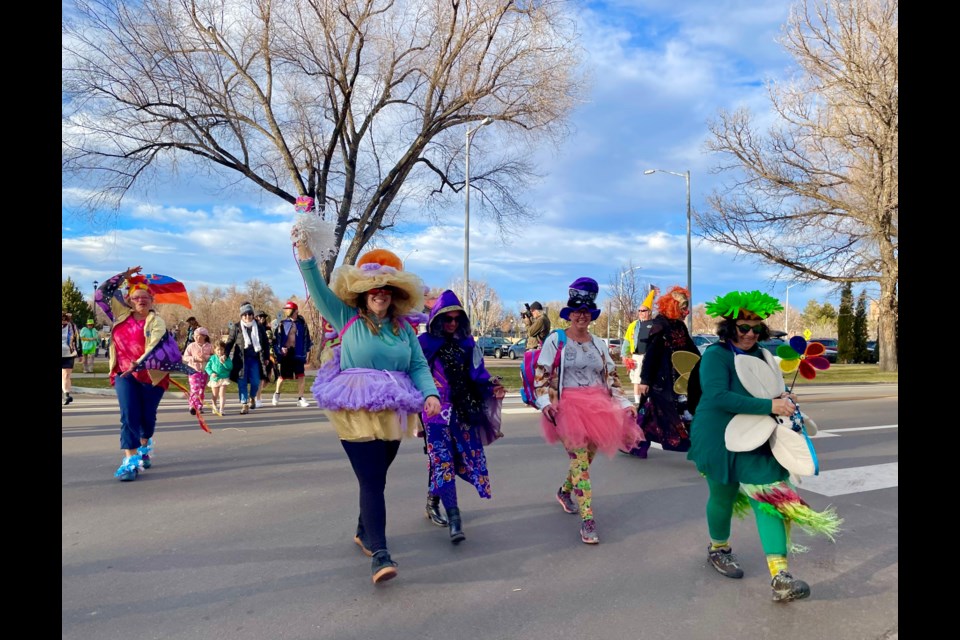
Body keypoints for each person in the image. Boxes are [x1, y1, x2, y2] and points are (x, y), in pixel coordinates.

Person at [293, 234, 440, 585]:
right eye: (374, 290)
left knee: (377, 476)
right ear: (363, 292)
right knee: (372, 479)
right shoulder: (347, 316)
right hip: (354, 405)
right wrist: (304, 251)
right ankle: (380, 553)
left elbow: (418, 365)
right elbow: (316, 286)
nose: (380, 295)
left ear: (394, 296)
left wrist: (430, 395)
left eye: (386, 291)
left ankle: (363, 529)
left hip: (394, 408)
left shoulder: (403, 329)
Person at [687, 290, 842, 603]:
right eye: (744, 327)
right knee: (723, 495)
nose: (750, 334)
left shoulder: (766, 356)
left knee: (768, 497)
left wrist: (784, 398)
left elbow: (770, 389)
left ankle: (780, 576)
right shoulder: (716, 356)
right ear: (729, 327)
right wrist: (770, 405)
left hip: (758, 436)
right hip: (718, 436)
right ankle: (719, 549)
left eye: (756, 329)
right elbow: (717, 396)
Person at [534, 277, 642, 545]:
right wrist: (545, 403)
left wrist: (625, 405)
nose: (581, 316)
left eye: (586, 312)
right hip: (567, 408)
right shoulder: (556, 340)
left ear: (591, 316)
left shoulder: (598, 344)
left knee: (584, 461)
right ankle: (588, 520)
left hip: (599, 408)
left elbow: (612, 378)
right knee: (581, 463)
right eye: (576, 312)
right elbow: (541, 375)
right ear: (570, 314)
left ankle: (564, 491)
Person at [418, 290, 506, 544]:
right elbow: (414, 373)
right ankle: (455, 519)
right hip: (433, 412)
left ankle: (432, 501)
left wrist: (492, 384)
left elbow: (478, 373)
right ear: (436, 319)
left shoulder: (468, 343)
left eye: (457, 319)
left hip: (462, 410)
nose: (452, 324)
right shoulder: (423, 343)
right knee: (442, 459)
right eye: (447, 319)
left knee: (454, 458)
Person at [96, 267, 180, 481]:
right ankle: (130, 462)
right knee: (128, 415)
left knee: (147, 419)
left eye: (145, 297)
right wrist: (124, 276)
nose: (141, 300)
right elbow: (101, 293)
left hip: (152, 376)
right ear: (128, 299)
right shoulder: (119, 315)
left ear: (152, 300)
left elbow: (154, 346)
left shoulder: (156, 322)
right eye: (136, 297)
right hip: (123, 374)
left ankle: (145, 444)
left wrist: (140, 362)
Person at [624, 285, 700, 458]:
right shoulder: (660, 326)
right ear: (673, 307)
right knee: (660, 414)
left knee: (654, 415)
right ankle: (634, 443)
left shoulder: (680, 327)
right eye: (683, 308)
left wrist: (703, 365)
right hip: (661, 382)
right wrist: (644, 380)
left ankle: (635, 444)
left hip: (678, 381)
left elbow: (691, 350)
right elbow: (651, 356)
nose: (686, 312)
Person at [225, 302, 271, 415]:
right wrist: (224, 354)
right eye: (245, 314)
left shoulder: (259, 327)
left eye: (250, 314)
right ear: (241, 316)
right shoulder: (236, 327)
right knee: (242, 381)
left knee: (256, 382)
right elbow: (230, 342)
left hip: (255, 359)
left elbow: (265, 343)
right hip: (241, 360)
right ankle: (244, 403)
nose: (248, 317)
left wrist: (266, 357)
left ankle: (252, 397)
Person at [620, 288, 658, 405]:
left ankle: (649, 402)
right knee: (636, 380)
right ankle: (637, 403)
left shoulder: (655, 324)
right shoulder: (634, 325)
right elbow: (627, 341)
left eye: (643, 310)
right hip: (636, 356)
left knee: (649, 379)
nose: (641, 312)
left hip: (649, 356)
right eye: (639, 310)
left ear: (649, 312)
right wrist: (624, 355)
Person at [272, 301, 312, 407]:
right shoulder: (283, 323)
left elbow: (307, 338)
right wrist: (280, 349)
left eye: (289, 309)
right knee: (282, 377)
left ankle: (300, 398)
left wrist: (308, 351)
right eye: (286, 309)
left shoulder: (302, 324)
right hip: (286, 353)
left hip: (298, 352)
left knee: (301, 375)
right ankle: (276, 393)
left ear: (295, 311)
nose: (287, 311)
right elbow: (276, 339)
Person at [182, 327, 214, 415]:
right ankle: (193, 406)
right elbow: (185, 357)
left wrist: (206, 357)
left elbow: (214, 357)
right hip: (193, 370)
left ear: (204, 336)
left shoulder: (209, 346)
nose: (196, 338)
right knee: (194, 388)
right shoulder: (191, 346)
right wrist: (195, 359)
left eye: (198, 336)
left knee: (201, 390)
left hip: (204, 371)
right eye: (195, 336)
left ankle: (199, 406)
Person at [255, 311, 278, 408]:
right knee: (260, 378)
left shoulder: (268, 328)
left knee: (268, 377)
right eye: (260, 316)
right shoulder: (254, 328)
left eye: (263, 317)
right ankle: (258, 398)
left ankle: (257, 392)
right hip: (258, 355)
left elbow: (273, 340)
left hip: (269, 355)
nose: (262, 318)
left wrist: (272, 339)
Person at [205, 339, 233, 415]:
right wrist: (211, 373)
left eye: (221, 350)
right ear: (214, 350)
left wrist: (224, 363)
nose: (220, 352)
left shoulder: (226, 358)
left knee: (222, 394)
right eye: (218, 350)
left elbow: (230, 367)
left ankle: (222, 409)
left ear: (224, 350)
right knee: (215, 395)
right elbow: (207, 367)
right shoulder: (212, 358)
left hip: (223, 378)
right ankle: (214, 407)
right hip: (214, 379)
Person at [61, 311, 81, 405]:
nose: (64, 322)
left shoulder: (72, 326)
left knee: (66, 375)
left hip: (69, 354)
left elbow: (77, 339)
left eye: (65, 320)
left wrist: (80, 353)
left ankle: (66, 395)